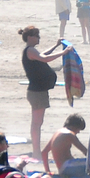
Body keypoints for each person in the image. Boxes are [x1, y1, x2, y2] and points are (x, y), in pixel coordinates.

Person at [20, 26, 67, 154]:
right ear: (30, 37)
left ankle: (36, 149)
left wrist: (56, 46)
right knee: (36, 123)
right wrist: (63, 52)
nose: (39, 38)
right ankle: (36, 150)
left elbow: (43, 55)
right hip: (37, 92)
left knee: (38, 122)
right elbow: (45, 59)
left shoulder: (32, 51)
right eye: (37, 36)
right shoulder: (29, 51)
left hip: (39, 91)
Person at [41, 113, 89, 178]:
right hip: (68, 167)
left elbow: (44, 152)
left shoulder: (57, 132)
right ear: (74, 126)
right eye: (78, 129)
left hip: (61, 169)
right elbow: (85, 151)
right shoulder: (69, 134)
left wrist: (47, 171)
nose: (78, 132)